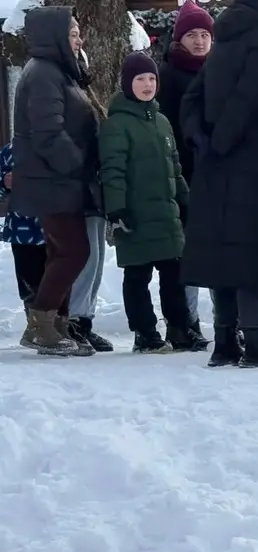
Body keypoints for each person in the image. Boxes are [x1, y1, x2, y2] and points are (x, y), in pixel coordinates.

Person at [180, 0, 258, 368]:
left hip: (217, 166)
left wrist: (202, 139)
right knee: (251, 250)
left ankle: (225, 340)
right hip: (254, 162)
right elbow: (250, 96)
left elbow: (192, 96)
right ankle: (256, 340)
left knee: (221, 249)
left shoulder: (226, 38)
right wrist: (222, 141)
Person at [11, 6, 102, 356]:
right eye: (72, 31)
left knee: (63, 252)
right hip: (54, 179)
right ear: (54, 35)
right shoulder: (45, 73)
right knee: (74, 251)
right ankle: (41, 325)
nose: (78, 37)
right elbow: (48, 132)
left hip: (61, 180)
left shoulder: (61, 71)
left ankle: (58, 324)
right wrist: (78, 164)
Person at [99, 52, 194, 354]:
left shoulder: (162, 121)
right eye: (140, 79)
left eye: (152, 78)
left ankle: (179, 329)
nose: (147, 84)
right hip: (135, 213)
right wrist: (116, 210)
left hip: (166, 213)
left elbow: (175, 168)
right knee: (138, 275)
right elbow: (112, 170)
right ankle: (145, 332)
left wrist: (185, 201)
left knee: (174, 274)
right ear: (128, 83)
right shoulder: (117, 124)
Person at [157, 0, 215, 348]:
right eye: (191, 34)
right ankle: (184, 321)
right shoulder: (167, 76)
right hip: (181, 175)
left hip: (214, 175)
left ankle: (224, 320)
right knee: (183, 253)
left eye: (204, 34)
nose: (198, 41)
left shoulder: (218, 71)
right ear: (179, 39)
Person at [66, 47, 114, 353]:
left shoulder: (85, 93)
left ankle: (84, 319)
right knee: (82, 258)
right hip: (76, 185)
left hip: (94, 186)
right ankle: (73, 321)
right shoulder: (62, 89)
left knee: (95, 259)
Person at [0, 141, 47, 347]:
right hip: (22, 229)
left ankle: (60, 326)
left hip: (57, 227)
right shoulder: (12, 150)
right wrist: (4, 182)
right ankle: (36, 328)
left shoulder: (58, 146)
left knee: (55, 280)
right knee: (29, 282)